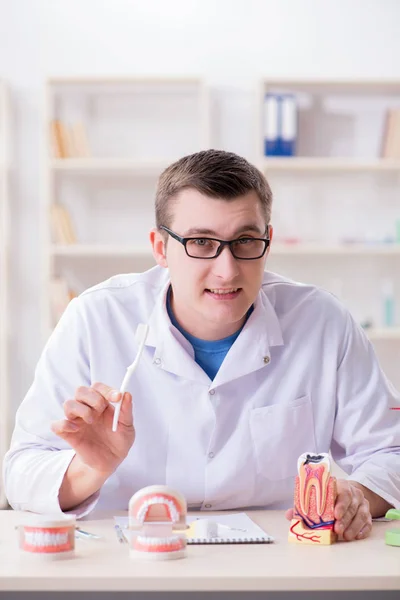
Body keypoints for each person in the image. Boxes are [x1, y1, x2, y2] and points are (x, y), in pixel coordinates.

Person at [3, 149, 400, 542]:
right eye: (201, 242)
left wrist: (354, 496)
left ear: (268, 239)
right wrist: (91, 469)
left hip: (278, 567)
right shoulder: (95, 319)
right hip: (131, 564)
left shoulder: (323, 322)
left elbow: (390, 452)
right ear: (160, 248)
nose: (227, 270)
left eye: (245, 240)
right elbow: (20, 473)